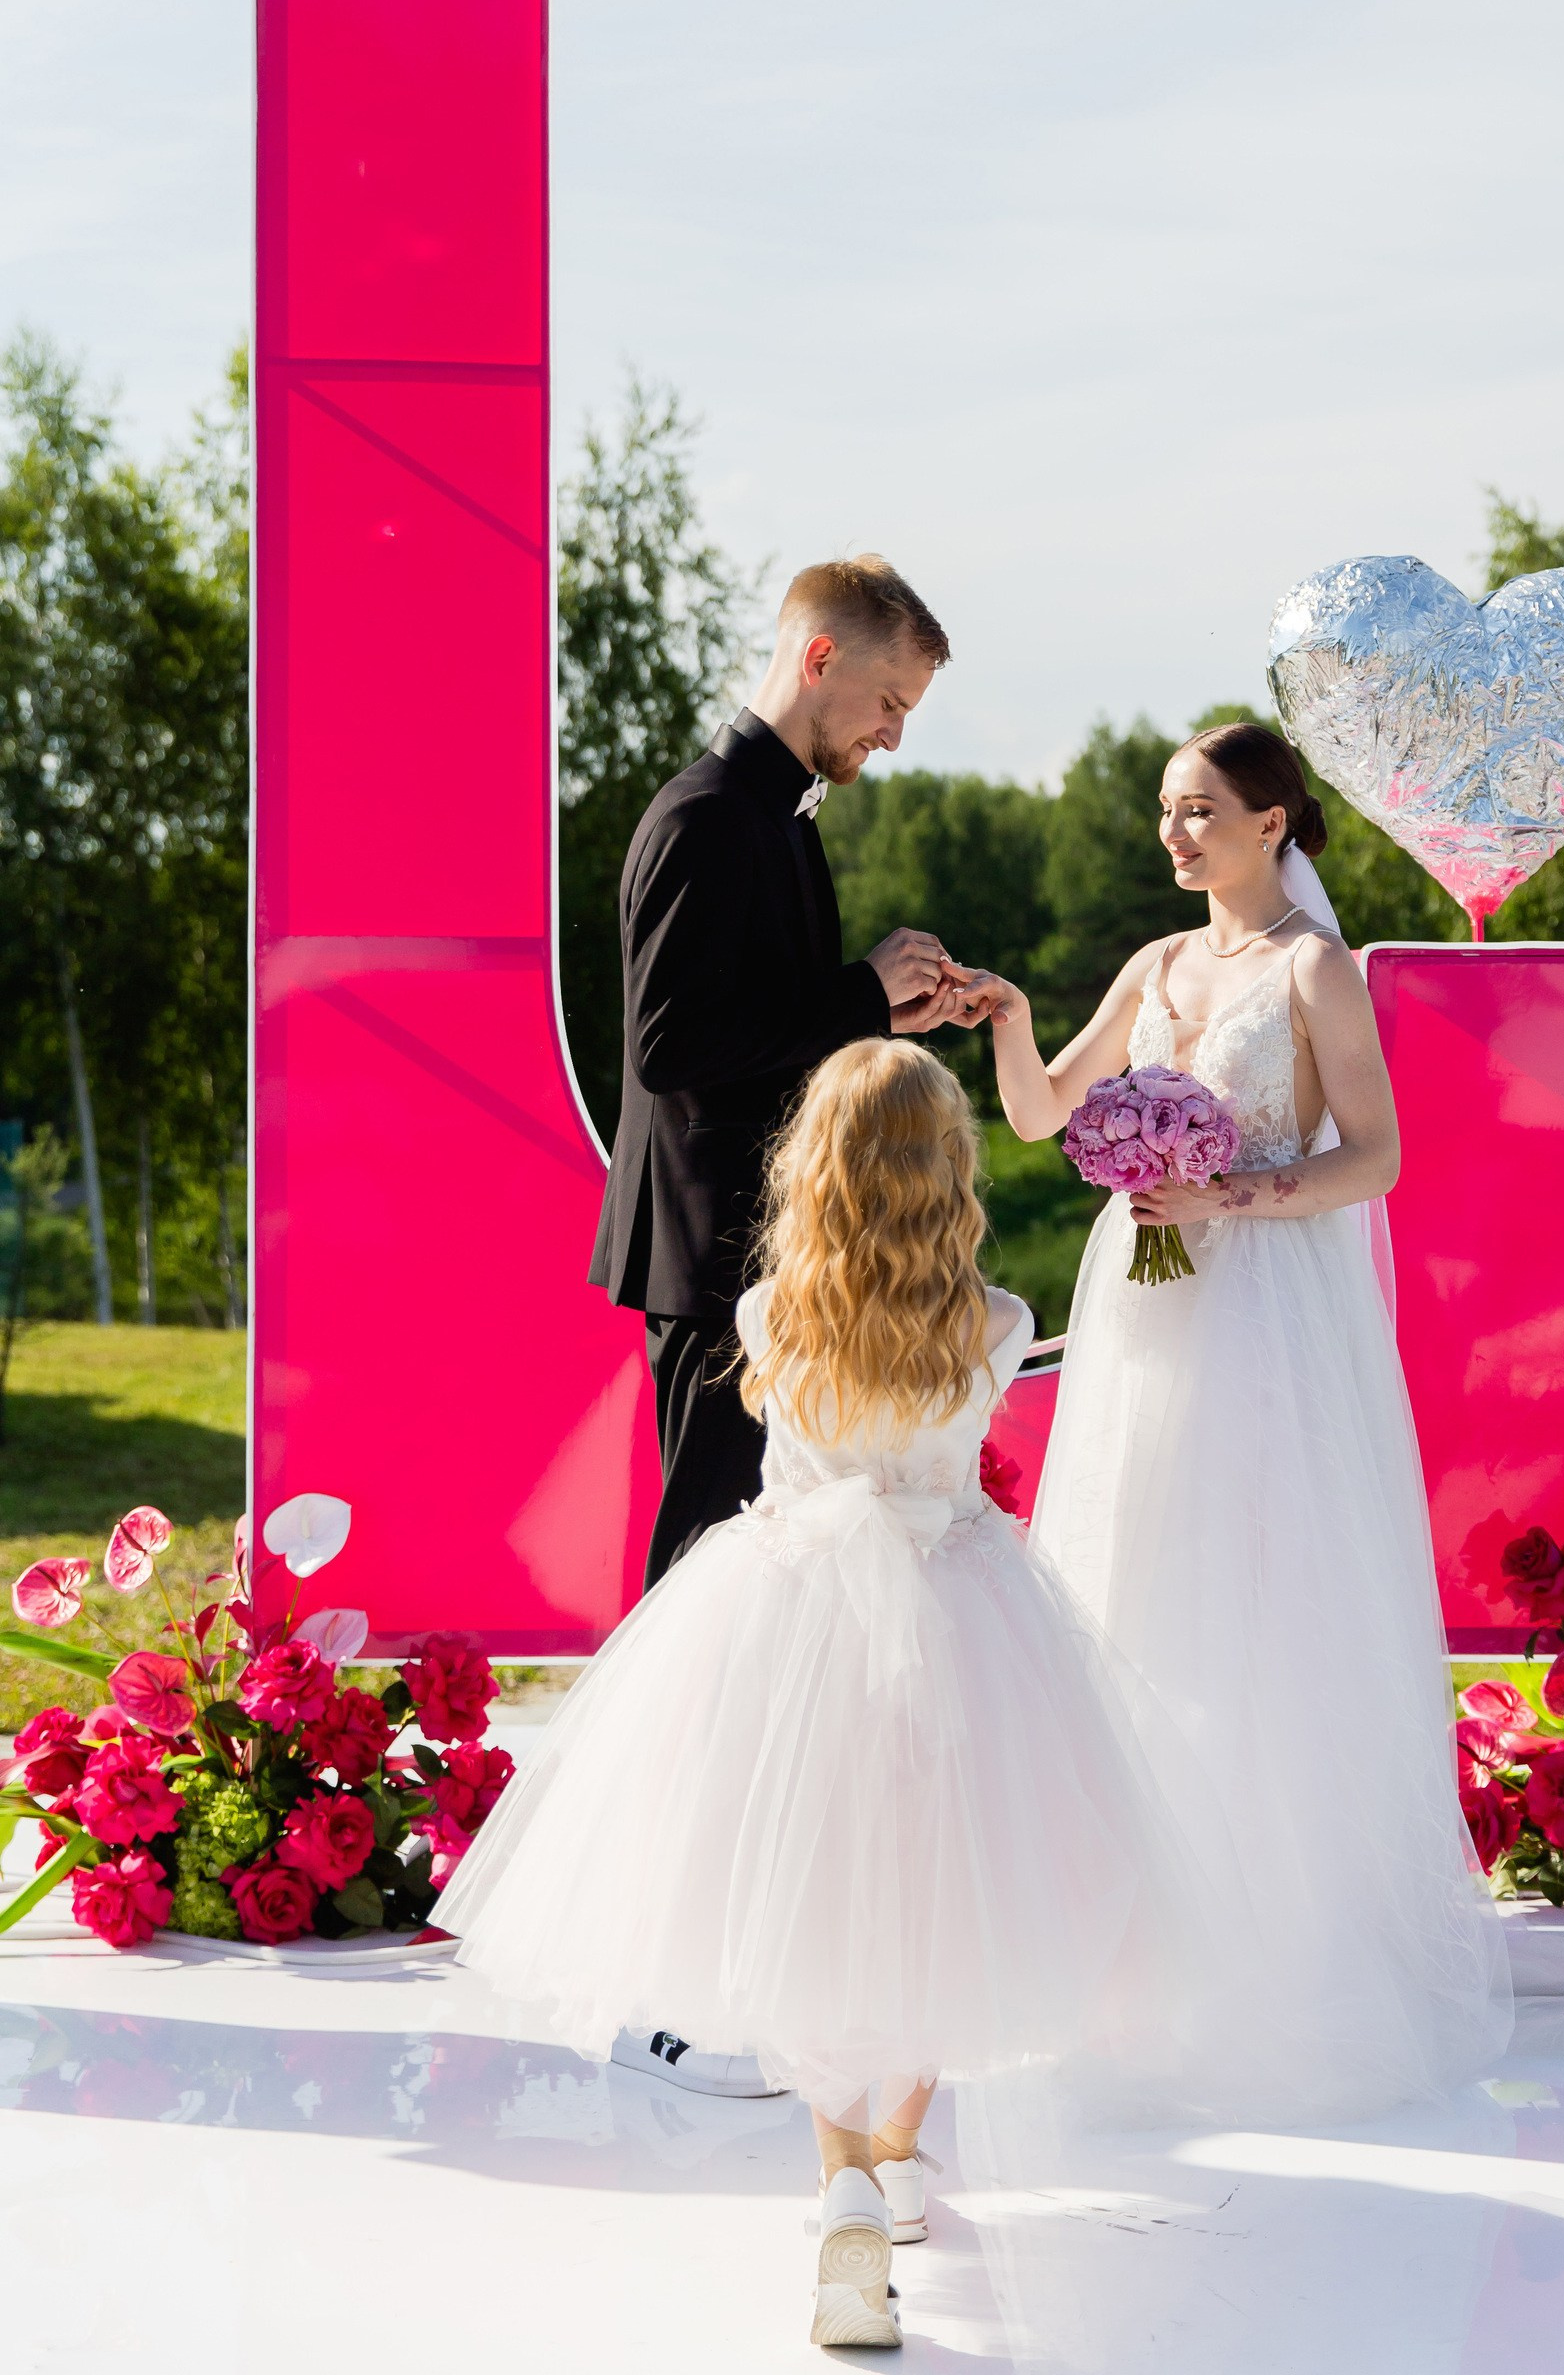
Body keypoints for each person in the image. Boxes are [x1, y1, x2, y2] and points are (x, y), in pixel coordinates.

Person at [447, 1040, 1184, 2352]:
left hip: (785, 1623)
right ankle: (897, 2154)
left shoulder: (769, 1315)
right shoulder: (999, 1327)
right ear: (948, 1174)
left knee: (802, 1893)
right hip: (962, 1631)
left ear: (816, 1170)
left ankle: (842, 2175)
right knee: (950, 1891)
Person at [965, 721, 1510, 2123]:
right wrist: (1014, 1016)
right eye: (1165, 810)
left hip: (1268, 1313)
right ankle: (1141, 1945)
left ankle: (1283, 1948)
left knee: (1264, 1603)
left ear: (1273, 823)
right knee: (1136, 1582)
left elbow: (1376, 1156)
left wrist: (1234, 1199)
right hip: (1149, 1318)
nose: (1173, 835)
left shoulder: (1314, 972)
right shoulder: (1154, 968)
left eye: (1198, 810)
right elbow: (1038, 1118)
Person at [586, 554, 987, 2095]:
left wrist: (880, 1010)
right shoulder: (706, 818)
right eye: (889, 702)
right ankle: (666, 1979)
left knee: (739, 1629)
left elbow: (767, 1033)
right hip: (715, 1283)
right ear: (820, 657)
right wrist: (861, 1000)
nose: (893, 738)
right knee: (700, 1624)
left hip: (767, 1282)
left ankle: (728, 1957)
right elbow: (681, 1054)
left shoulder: (769, 819)